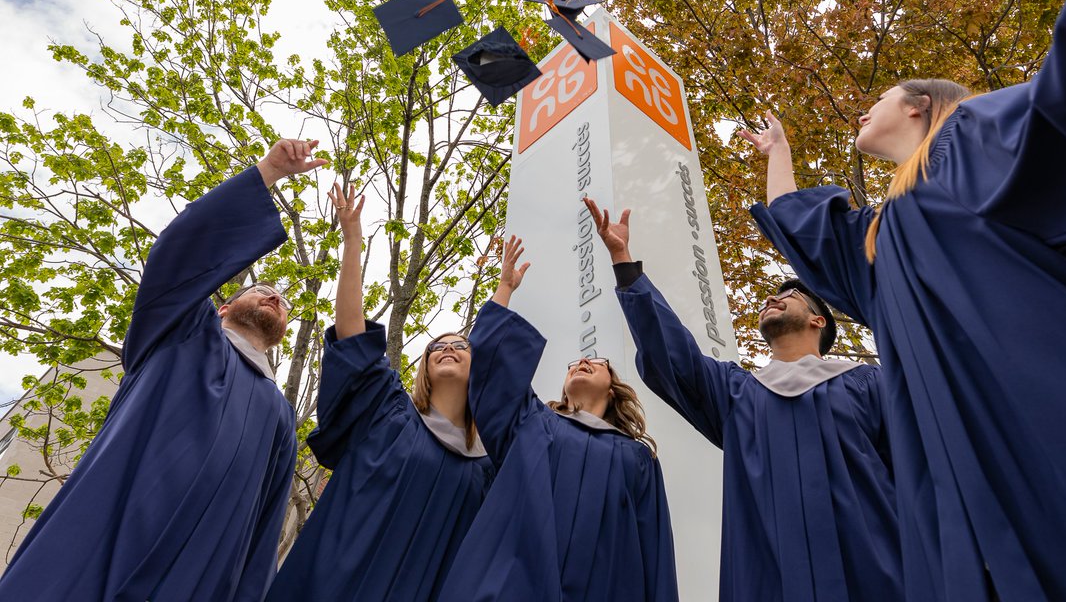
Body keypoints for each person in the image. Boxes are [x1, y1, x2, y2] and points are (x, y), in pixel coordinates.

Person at [743, 0, 1066, 602]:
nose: (863, 111)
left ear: (918, 107)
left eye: (878, 97)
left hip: (1049, 399)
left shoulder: (973, 139)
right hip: (947, 461)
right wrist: (780, 154)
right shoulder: (879, 239)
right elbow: (805, 226)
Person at [0, 139, 326, 601]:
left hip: (197, 574)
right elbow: (179, 259)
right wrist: (267, 173)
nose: (275, 297)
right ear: (222, 307)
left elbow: (265, 521)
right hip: (109, 531)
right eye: (264, 289)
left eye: (284, 301)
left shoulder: (279, 416)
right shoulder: (182, 333)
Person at [583, 198, 900, 602]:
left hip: (875, 573)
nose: (772, 299)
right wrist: (624, 261)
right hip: (767, 580)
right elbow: (672, 355)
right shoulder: (736, 394)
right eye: (770, 297)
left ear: (818, 320)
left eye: (788, 297)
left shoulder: (869, 384)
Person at [266, 184, 493, 602]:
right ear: (423, 366)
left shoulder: (487, 465)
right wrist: (353, 242)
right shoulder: (388, 410)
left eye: (460, 345)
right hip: (336, 581)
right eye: (436, 346)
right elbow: (353, 335)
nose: (446, 347)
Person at [436, 237, 678, 602]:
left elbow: (655, 552)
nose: (583, 362)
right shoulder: (530, 423)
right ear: (564, 391)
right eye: (575, 364)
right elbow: (492, 370)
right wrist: (504, 289)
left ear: (612, 390)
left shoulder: (638, 459)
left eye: (597, 363)